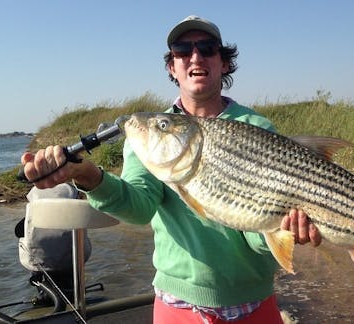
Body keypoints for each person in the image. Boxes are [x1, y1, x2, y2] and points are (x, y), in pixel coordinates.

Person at [22, 15, 321, 323]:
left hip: (252, 304)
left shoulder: (256, 127)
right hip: (177, 306)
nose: (196, 57)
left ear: (224, 63)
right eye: (182, 50)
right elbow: (139, 208)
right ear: (172, 67)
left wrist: (284, 229)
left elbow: (255, 235)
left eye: (207, 48)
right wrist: (87, 176)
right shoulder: (151, 131)